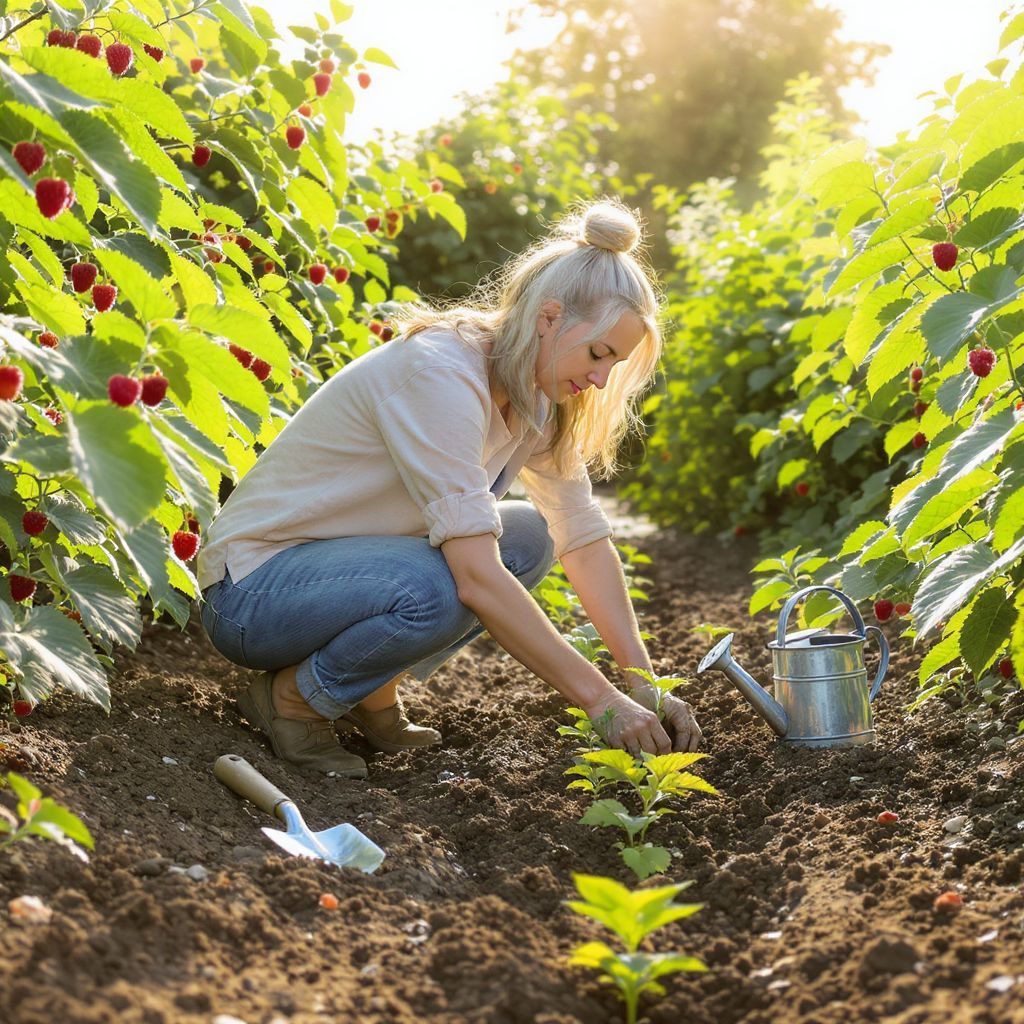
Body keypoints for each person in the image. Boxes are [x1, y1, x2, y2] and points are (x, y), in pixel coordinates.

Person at [196, 196, 703, 778]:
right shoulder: (442, 373)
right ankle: (290, 700)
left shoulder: (535, 395)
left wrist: (648, 685)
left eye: (613, 366)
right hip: (254, 592)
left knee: (530, 537)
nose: (599, 378)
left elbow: (581, 538)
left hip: (341, 578)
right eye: (598, 354)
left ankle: (368, 694)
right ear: (549, 318)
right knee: (446, 583)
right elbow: (477, 578)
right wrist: (602, 701)